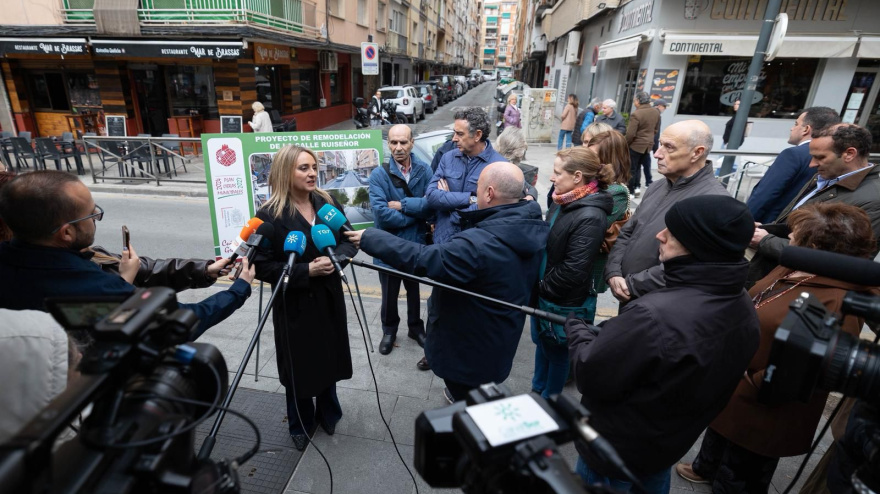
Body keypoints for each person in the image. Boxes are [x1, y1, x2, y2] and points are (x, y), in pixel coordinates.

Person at [677, 202, 879, 493]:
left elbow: (809, 368)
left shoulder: (838, 299)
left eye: (796, 234)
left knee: (742, 468)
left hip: (765, 399)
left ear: (816, 246)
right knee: (721, 431)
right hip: (736, 382)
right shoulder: (796, 266)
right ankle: (706, 468)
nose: (789, 237)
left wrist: (751, 381)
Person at [566, 194, 760, 493]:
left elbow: (590, 372)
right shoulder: (742, 304)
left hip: (615, 450)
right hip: (666, 445)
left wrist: (578, 331)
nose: (660, 235)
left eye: (673, 232)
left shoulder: (654, 315)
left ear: (699, 245)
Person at [346, 162, 549, 403]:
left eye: (477, 187)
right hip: (499, 341)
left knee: (470, 404)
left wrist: (371, 237)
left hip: (470, 353)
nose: (472, 193)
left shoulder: (479, 245)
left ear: (489, 193)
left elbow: (423, 259)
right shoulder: (530, 223)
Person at [0, 171, 255, 339]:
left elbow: (144, 269)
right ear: (66, 233)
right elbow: (181, 322)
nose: (96, 219)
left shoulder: (26, 260)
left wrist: (204, 270)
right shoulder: (93, 289)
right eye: (91, 214)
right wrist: (238, 290)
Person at [252, 145, 357, 451]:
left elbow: (349, 241)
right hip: (294, 304)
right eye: (303, 168)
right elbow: (261, 266)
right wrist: (305, 271)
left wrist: (336, 259)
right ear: (286, 172)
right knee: (299, 365)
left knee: (329, 356)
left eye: (313, 167)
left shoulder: (327, 203)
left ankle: (329, 412)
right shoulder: (269, 215)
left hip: (329, 298)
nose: (312, 173)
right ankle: (300, 422)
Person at [604, 120, 729, 303]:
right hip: (631, 295)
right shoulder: (657, 186)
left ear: (697, 153)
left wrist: (632, 285)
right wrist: (614, 272)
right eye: (660, 144)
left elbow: (693, 265)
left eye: (669, 147)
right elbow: (628, 232)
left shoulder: (715, 201)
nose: (657, 154)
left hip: (661, 305)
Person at [748, 123, 880, 286]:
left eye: (820, 157)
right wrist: (769, 229)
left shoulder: (874, 200)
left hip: (801, 285)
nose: (812, 164)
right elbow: (797, 224)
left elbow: (840, 260)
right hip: (776, 274)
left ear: (849, 154)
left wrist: (765, 241)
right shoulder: (826, 176)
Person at [531, 147, 612, 399]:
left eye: (557, 172)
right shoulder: (562, 200)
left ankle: (549, 401)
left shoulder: (590, 215)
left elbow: (574, 269)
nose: (552, 177)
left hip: (562, 301)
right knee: (543, 345)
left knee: (558, 354)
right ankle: (537, 390)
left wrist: (542, 287)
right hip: (547, 294)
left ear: (577, 177)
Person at [369, 124, 431, 355]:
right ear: (388, 144)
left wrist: (403, 207)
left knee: (414, 290)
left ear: (412, 143)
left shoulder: (424, 171)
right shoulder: (379, 175)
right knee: (389, 293)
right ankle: (389, 330)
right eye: (393, 142)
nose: (398, 147)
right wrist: (415, 215)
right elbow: (382, 214)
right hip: (388, 245)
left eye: (403, 142)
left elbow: (431, 205)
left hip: (414, 244)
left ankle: (415, 327)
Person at [746, 107, 840, 224]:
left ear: (806, 129)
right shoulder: (834, 156)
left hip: (769, 224)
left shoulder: (793, 154)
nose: (792, 128)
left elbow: (765, 194)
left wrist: (743, 222)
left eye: (796, 124)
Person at [586, 130, 632, 295]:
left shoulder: (616, 191)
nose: (588, 160)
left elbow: (589, 227)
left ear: (609, 159)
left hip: (591, 262)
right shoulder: (593, 182)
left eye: (593, 156)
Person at [625, 91, 661, 198]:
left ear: (638, 101)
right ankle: (637, 187)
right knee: (638, 167)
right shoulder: (656, 112)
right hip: (648, 145)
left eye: (634, 101)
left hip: (636, 145)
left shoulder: (636, 114)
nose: (634, 103)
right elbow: (656, 130)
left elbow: (630, 134)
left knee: (631, 168)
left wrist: (625, 144)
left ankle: (630, 191)